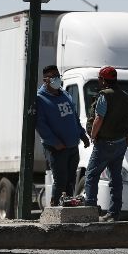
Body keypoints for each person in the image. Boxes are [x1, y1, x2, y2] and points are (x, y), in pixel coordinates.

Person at [36, 65, 90, 207]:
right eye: (53, 77)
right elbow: (40, 125)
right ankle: (55, 208)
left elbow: (74, 118)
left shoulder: (65, 95)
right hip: (56, 148)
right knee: (60, 180)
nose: (57, 79)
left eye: (58, 76)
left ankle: (67, 208)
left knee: (70, 180)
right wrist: (54, 142)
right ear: (45, 80)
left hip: (72, 146)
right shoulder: (40, 99)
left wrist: (82, 135)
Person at [84, 66, 128, 222]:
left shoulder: (105, 96)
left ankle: (89, 209)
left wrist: (93, 135)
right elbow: (126, 121)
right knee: (115, 178)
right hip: (121, 143)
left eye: (99, 79)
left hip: (105, 144)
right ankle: (114, 212)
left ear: (103, 80)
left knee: (91, 174)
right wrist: (127, 138)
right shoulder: (125, 96)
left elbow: (99, 118)